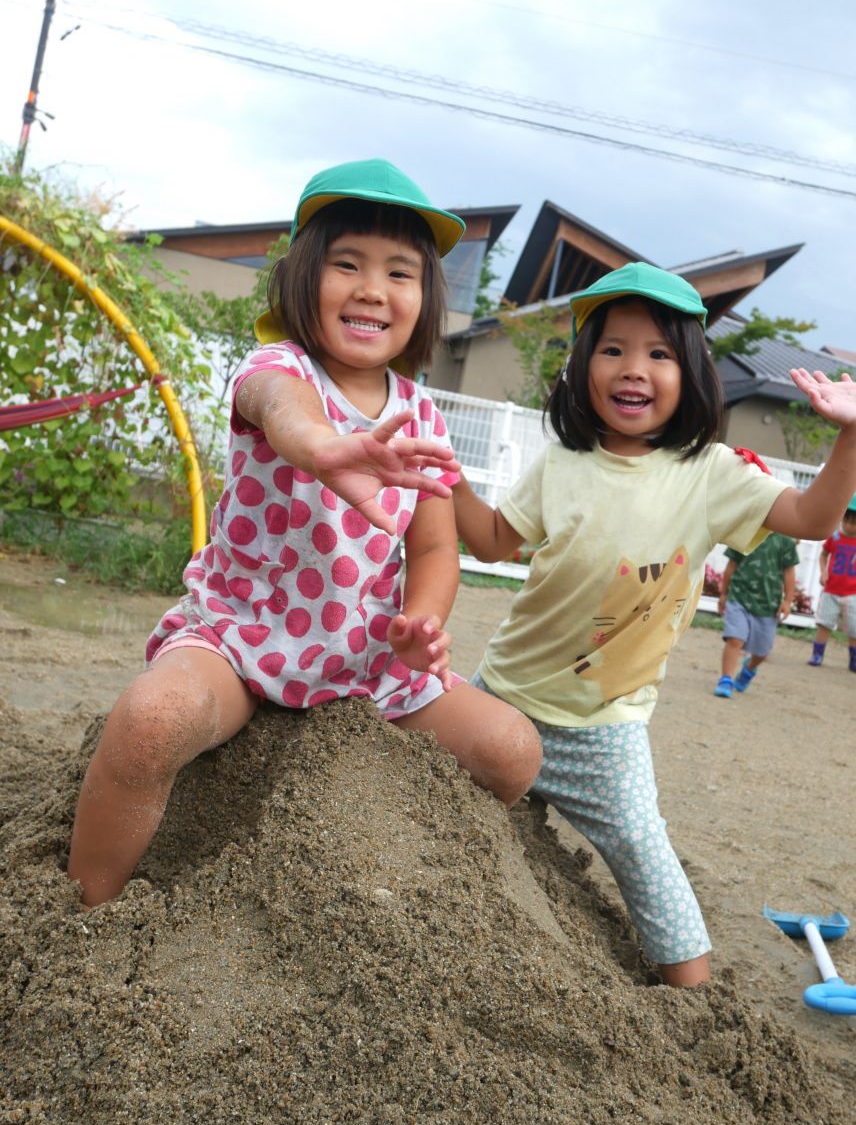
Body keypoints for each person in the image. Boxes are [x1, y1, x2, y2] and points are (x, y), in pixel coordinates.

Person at [67, 159, 541, 907]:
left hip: (368, 662)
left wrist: (423, 620)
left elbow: (436, 546)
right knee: (150, 721)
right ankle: (81, 910)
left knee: (513, 752)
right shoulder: (278, 367)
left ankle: (407, 874)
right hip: (242, 639)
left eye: (401, 273)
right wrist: (323, 447)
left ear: (426, 300)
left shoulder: (420, 415)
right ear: (300, 276)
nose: (372, 289)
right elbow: (279, 407)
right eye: (346, 264)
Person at [451, 262, 856, 987]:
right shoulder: (561, 463)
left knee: (645, 855)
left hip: (601, 728)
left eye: (659, 354)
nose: (633, 369)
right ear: (585, 366)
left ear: (693, 373)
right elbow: (492, 541)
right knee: (453, 806)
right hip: (503, 694)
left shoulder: (708, 473)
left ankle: (693, 1001)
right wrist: (443, 475)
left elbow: (814, 519)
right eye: (612, 349)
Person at [713, 533, 799, 698]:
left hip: (768, 605)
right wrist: (724, 594)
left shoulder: (786, 541)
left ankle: (749, 669)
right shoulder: (746, 532)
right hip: (739, 597)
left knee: (762, 651)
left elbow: (789, 572)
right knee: (735, 638)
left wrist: (788, 600)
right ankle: (726, 679)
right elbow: (731, 565)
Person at [807, 491, 856, 672]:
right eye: (846, 520)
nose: (848, 525)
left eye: (854, 522)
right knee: (824, 624)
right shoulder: (835, 538)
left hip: (855, 593)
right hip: (831, 590)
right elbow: (823, 555)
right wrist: (823, 572)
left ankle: (855, 660)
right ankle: (817, 655)